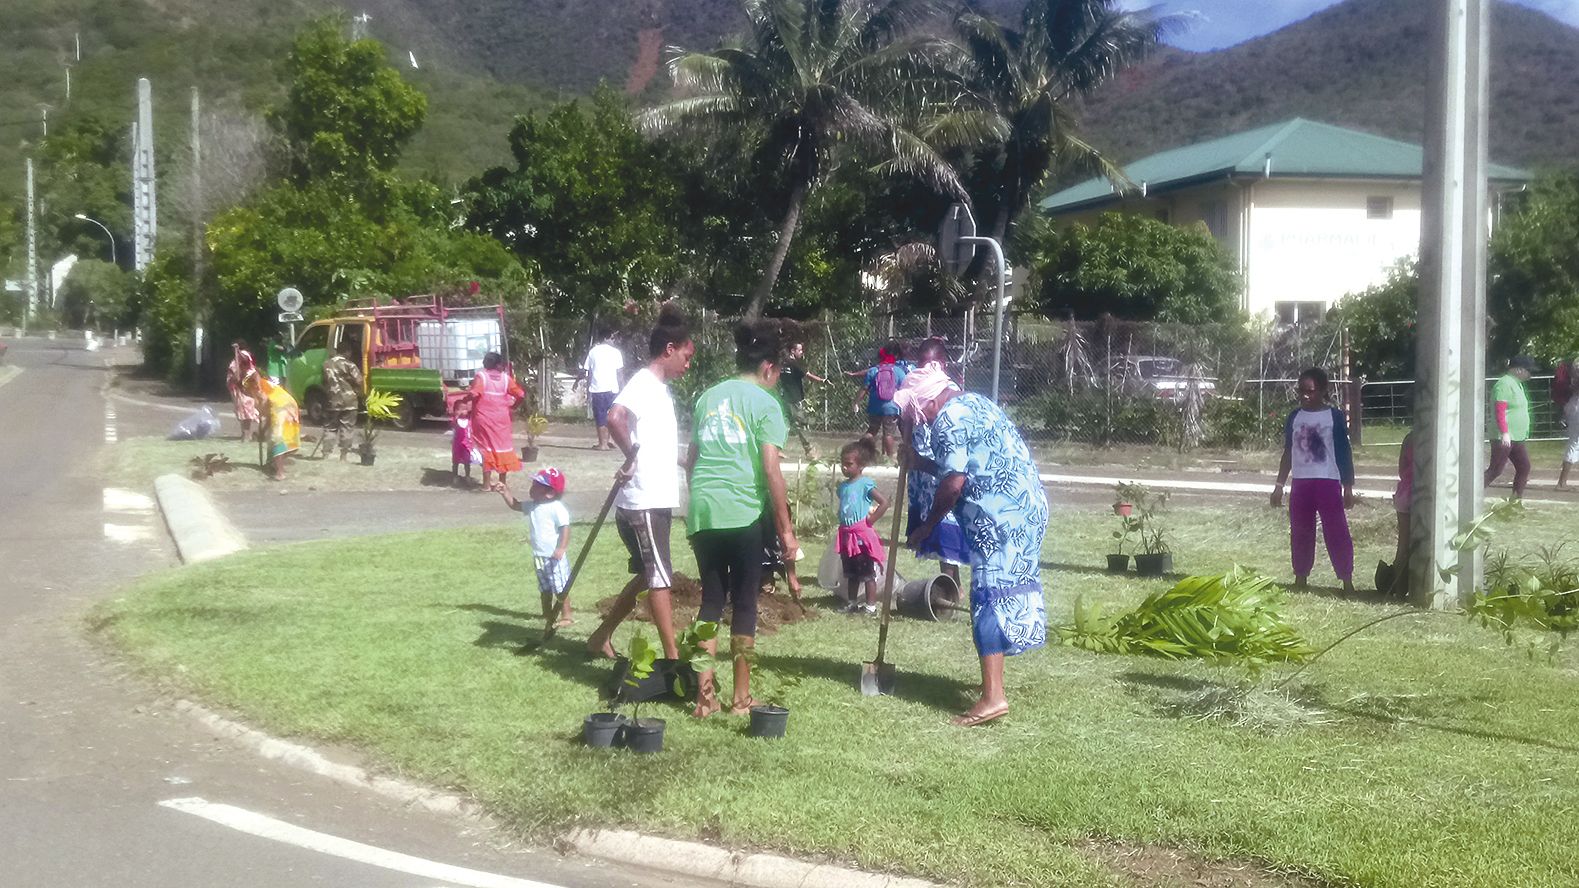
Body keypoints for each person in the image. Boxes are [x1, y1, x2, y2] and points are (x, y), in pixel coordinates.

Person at [897, 363, 1048, 727]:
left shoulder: (947, 420)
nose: (919, 419)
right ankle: (994, 680)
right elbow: (964, 468)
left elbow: (954, 484)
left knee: (989, 597)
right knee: (1005, 590)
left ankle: (993, 697)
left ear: (929, 401)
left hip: (998, 520)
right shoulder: (975, 403)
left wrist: (927, 527)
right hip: (1025, 509)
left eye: (917, 410)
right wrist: (920, 463)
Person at [686, 319, 798, 718]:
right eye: (778, 374)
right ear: (768, 368)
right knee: (745, 604)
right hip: (743, 511)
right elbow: (771, 470)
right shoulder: (766, 404)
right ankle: (740, 700)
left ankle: (704, 700)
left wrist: (699, 498)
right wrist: (786, 531)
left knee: (711, 601)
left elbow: (692, 459)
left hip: (703, 509)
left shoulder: (707, 397)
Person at [586, 305, 694, 661]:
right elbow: (615, 417)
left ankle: (601, 634)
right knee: (660, 577)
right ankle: (672, 657)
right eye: (686, 355)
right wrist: (630, 455)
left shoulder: (659, 390)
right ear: (669, 349)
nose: (688, 363)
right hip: (643, 501)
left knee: (651, 576)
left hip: (655, 497)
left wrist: (685, 461)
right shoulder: (643, 382)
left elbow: (653, 443)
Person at [1271, 368, 1356, 594]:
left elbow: (1344, 452)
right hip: (1301, 483)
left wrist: (1348, 486)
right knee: (1300, 531)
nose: (1304, 395)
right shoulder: (1294, 417)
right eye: (1301, 391)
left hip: (1327, 481)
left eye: (1309, 391)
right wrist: (1279, 486)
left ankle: (1346, 578)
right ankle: (1301, 576)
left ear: (1322, 390)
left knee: (1336, 530)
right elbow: (1288, 452)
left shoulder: (1333, 416)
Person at [902, 338, 968, 594]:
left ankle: (953, 588)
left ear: (942, 363)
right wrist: (906, 444)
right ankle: (953, 585)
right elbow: (907, 413)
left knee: (944, 525)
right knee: (934, 526)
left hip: (941, 466)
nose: (926, 368)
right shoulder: (915, 384)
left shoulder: (948, 390)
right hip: (920, 468)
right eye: (921, 363)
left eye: (931, 363)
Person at [497, 468, 573, 628]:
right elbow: (515, 505)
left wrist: (561, 548)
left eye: (536, 485)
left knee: (560, 587)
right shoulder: (533, 505)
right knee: (544, 587)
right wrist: (505, 492)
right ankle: (547, 613)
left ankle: (567, 616)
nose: (531, 488)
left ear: (550, 492)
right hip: (539, 555)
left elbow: (565, 528)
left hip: (554, 556)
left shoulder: (556, 508)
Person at [835, 439, 888, 614]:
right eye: (842, 464)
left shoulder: (865, 484)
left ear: (861, 465)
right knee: (851, 573)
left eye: (849, 464)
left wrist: (870, 521)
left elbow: (884, 502)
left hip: (861, 537)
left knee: (866, 573)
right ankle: (852, 603)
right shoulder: (842, 487)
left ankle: (871, 606)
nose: (844, 468)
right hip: (847, 536)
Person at [467, 352, 524, 491]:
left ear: (487, 364)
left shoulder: (481, 377)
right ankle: (501, 483)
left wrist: (465, 399)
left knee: (487, 450)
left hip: (484, 419)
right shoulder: (506, 379)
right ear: (499, 365)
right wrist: (513, 406)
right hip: (502, 420)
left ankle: (486, 485)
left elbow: (475, 394)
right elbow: (521, 394)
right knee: (502, 448)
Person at [1485, 355, 1536, 499]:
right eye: (1529, 371)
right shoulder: (1504, 384)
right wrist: (1504, 432)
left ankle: (1515, 501)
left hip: (1517, 436)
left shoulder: (1517, 384)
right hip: (1505, 436)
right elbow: (1500, 409)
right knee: (1495, 469)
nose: (1530, 374)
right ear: (1519, 370)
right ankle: (1469, 496)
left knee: (1524, 466)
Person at [846, 344, 909, 459]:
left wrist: (856, 402)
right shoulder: (899, 371)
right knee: (889, 433)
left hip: (874, 407)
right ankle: (889, 458)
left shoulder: (873, 371)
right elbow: (905, 390)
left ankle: (862, 453)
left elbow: (864, 389)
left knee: (872, 430)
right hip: (891, 408)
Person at [1376, 430, 1414, 596]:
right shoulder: (1434, 439)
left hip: (1405, 493)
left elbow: (1401, 468)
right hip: (1422, 494)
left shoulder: (1409, 438)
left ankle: (1398, 590)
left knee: (1403, 544)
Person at [246, 373, 300, 482]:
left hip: (282, 407)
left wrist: (260, 412)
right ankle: (271, 463)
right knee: (273, 435)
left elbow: (264, 403)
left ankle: (280, 473)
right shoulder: (262, 384)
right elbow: (269, 414)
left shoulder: (255, 385)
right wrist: (263, 429)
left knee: (277, 438)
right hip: (286, 404)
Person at [780, 340, 828, 456]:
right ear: (793, 351)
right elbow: (808, 375)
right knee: (801, 424)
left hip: (783, 398)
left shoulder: (782, 363)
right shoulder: (794, 364)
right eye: (799, 350)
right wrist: (823, 381)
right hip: (794, 398)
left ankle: (777, 449)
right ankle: (810, 450)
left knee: (784, 424)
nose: (801, 352)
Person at [582, 327, 625, 451]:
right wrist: (622, 388)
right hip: (613, 389)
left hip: (598, 388)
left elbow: (588, 372)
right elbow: (620, 373)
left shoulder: (593, 352)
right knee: (611, 416)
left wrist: (587, 388)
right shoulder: (616, 352)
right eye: (612, 338)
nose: (614, 340)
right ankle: (609, 440)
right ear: (606, 338)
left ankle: (603, 444)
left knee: (600, 416)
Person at [322, 342, 363, 461]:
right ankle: (343, 456)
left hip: (332, 400)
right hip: (349, 401)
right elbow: (359, 381)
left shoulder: (326, 364)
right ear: (347, 352)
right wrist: (357, 392)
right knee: (347, 428)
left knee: (330, 428)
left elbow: (323, 382)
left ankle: (326, 454)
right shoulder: (349, 364)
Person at [226, 341, 260, 442]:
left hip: (245, 387)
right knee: (241, 411)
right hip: (237, 387)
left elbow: (244, 360)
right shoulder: (237, 358)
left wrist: (237, 351)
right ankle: (244, 433)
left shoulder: (244, 354)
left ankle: (247, 434)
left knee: (247, 411)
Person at [1556, 356, 1579, 491]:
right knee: (1574, 443)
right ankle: (1561, 483)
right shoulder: (1575, 369)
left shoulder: (1573, 368)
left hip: (1574, 404)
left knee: (1574, 443)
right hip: (1576, 404)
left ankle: (1561, 482)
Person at [449, 397, 479, 487]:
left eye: (465, 409)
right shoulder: (456, 420)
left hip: (467, 445)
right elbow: (453, 424)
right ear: (455, 411)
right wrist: (457, 416)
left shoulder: (469, 420)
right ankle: (455, 476)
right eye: (460, 409)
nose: (463, 411)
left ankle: (467, 476)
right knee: (455, 461)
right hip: (457, 445)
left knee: (467, 461)